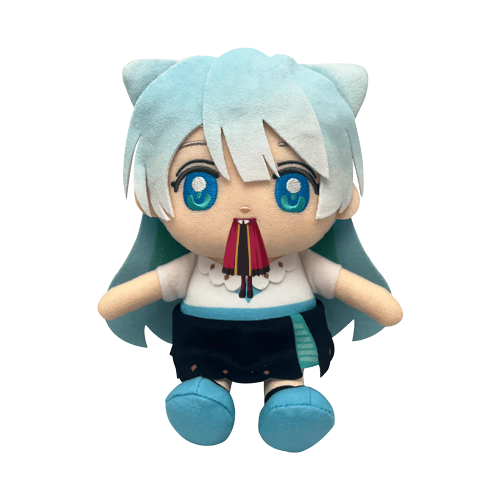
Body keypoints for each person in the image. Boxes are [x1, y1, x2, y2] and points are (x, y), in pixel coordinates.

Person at [97, 48, 403, 453]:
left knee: (288, 374)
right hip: (207, 342)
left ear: (345, 198)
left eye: (292, 187)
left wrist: (382, 305)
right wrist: (115, 303)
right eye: (200, 187)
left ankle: (287, 397)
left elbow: (341, 283)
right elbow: (153, 285)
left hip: (284, 339)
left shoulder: (304, 263)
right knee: (204, 379)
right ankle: (206, 395)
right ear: (149, 198)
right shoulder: (191, 265)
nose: (244, 207)